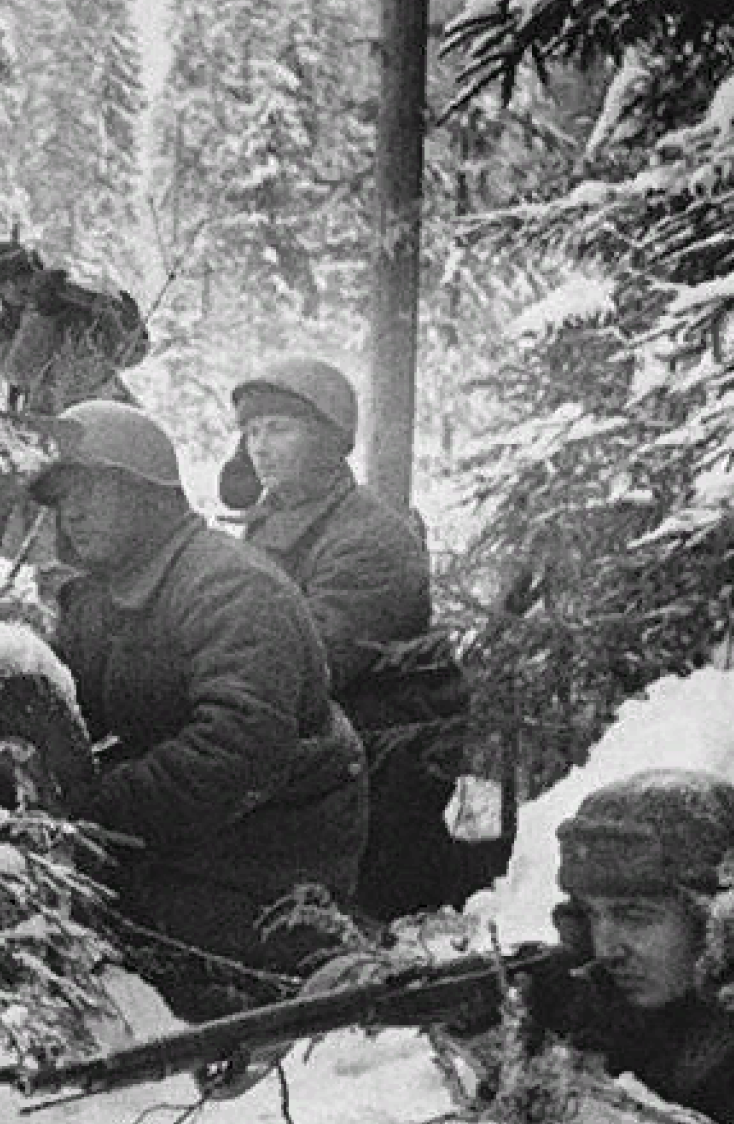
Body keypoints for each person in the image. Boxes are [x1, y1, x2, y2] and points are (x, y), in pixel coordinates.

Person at [30, 398, 369, 1018]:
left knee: (170, 977)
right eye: (63, 497)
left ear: (147, 495)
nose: (72, 510)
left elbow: (240, 746)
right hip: (183, 822)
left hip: (271, 840)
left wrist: (90, 814)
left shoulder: (230, 585)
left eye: (93, 490)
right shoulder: (98, 596)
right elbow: (66, 714)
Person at [222, 356, 463, 920]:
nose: (260, 447)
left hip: (376, 769)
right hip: (319, 744)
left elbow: (312, 664)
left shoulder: (369, 538)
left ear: (330, 439)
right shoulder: (270, 525)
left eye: (278, 427)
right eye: (252, 432)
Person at [537, 769, 734, 1124]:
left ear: (718, 917)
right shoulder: (601, 1000)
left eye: (635, 916)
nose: (607, 949)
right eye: (592, 914)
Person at [0, 238, 148, 416]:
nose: (15, 286)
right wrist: (40, 314)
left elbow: (130, 355)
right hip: (52, 422)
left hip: (109, 409)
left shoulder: (75, 306)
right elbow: (20, 372)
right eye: (4, 282)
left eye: (21, 275)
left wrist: (120, 318)